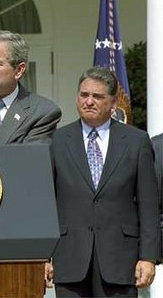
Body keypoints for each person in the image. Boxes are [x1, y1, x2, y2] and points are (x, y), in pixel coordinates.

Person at [46, 67, 161, 297]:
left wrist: (148, 257)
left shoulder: (136, 141)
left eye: (97, 96)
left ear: (113, 102)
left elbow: (149, 205)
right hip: (69, 258)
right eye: (83, 95)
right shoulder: (57, 141)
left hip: (120, 260)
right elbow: (46, 203)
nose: (89, 101)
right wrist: (43, 256)